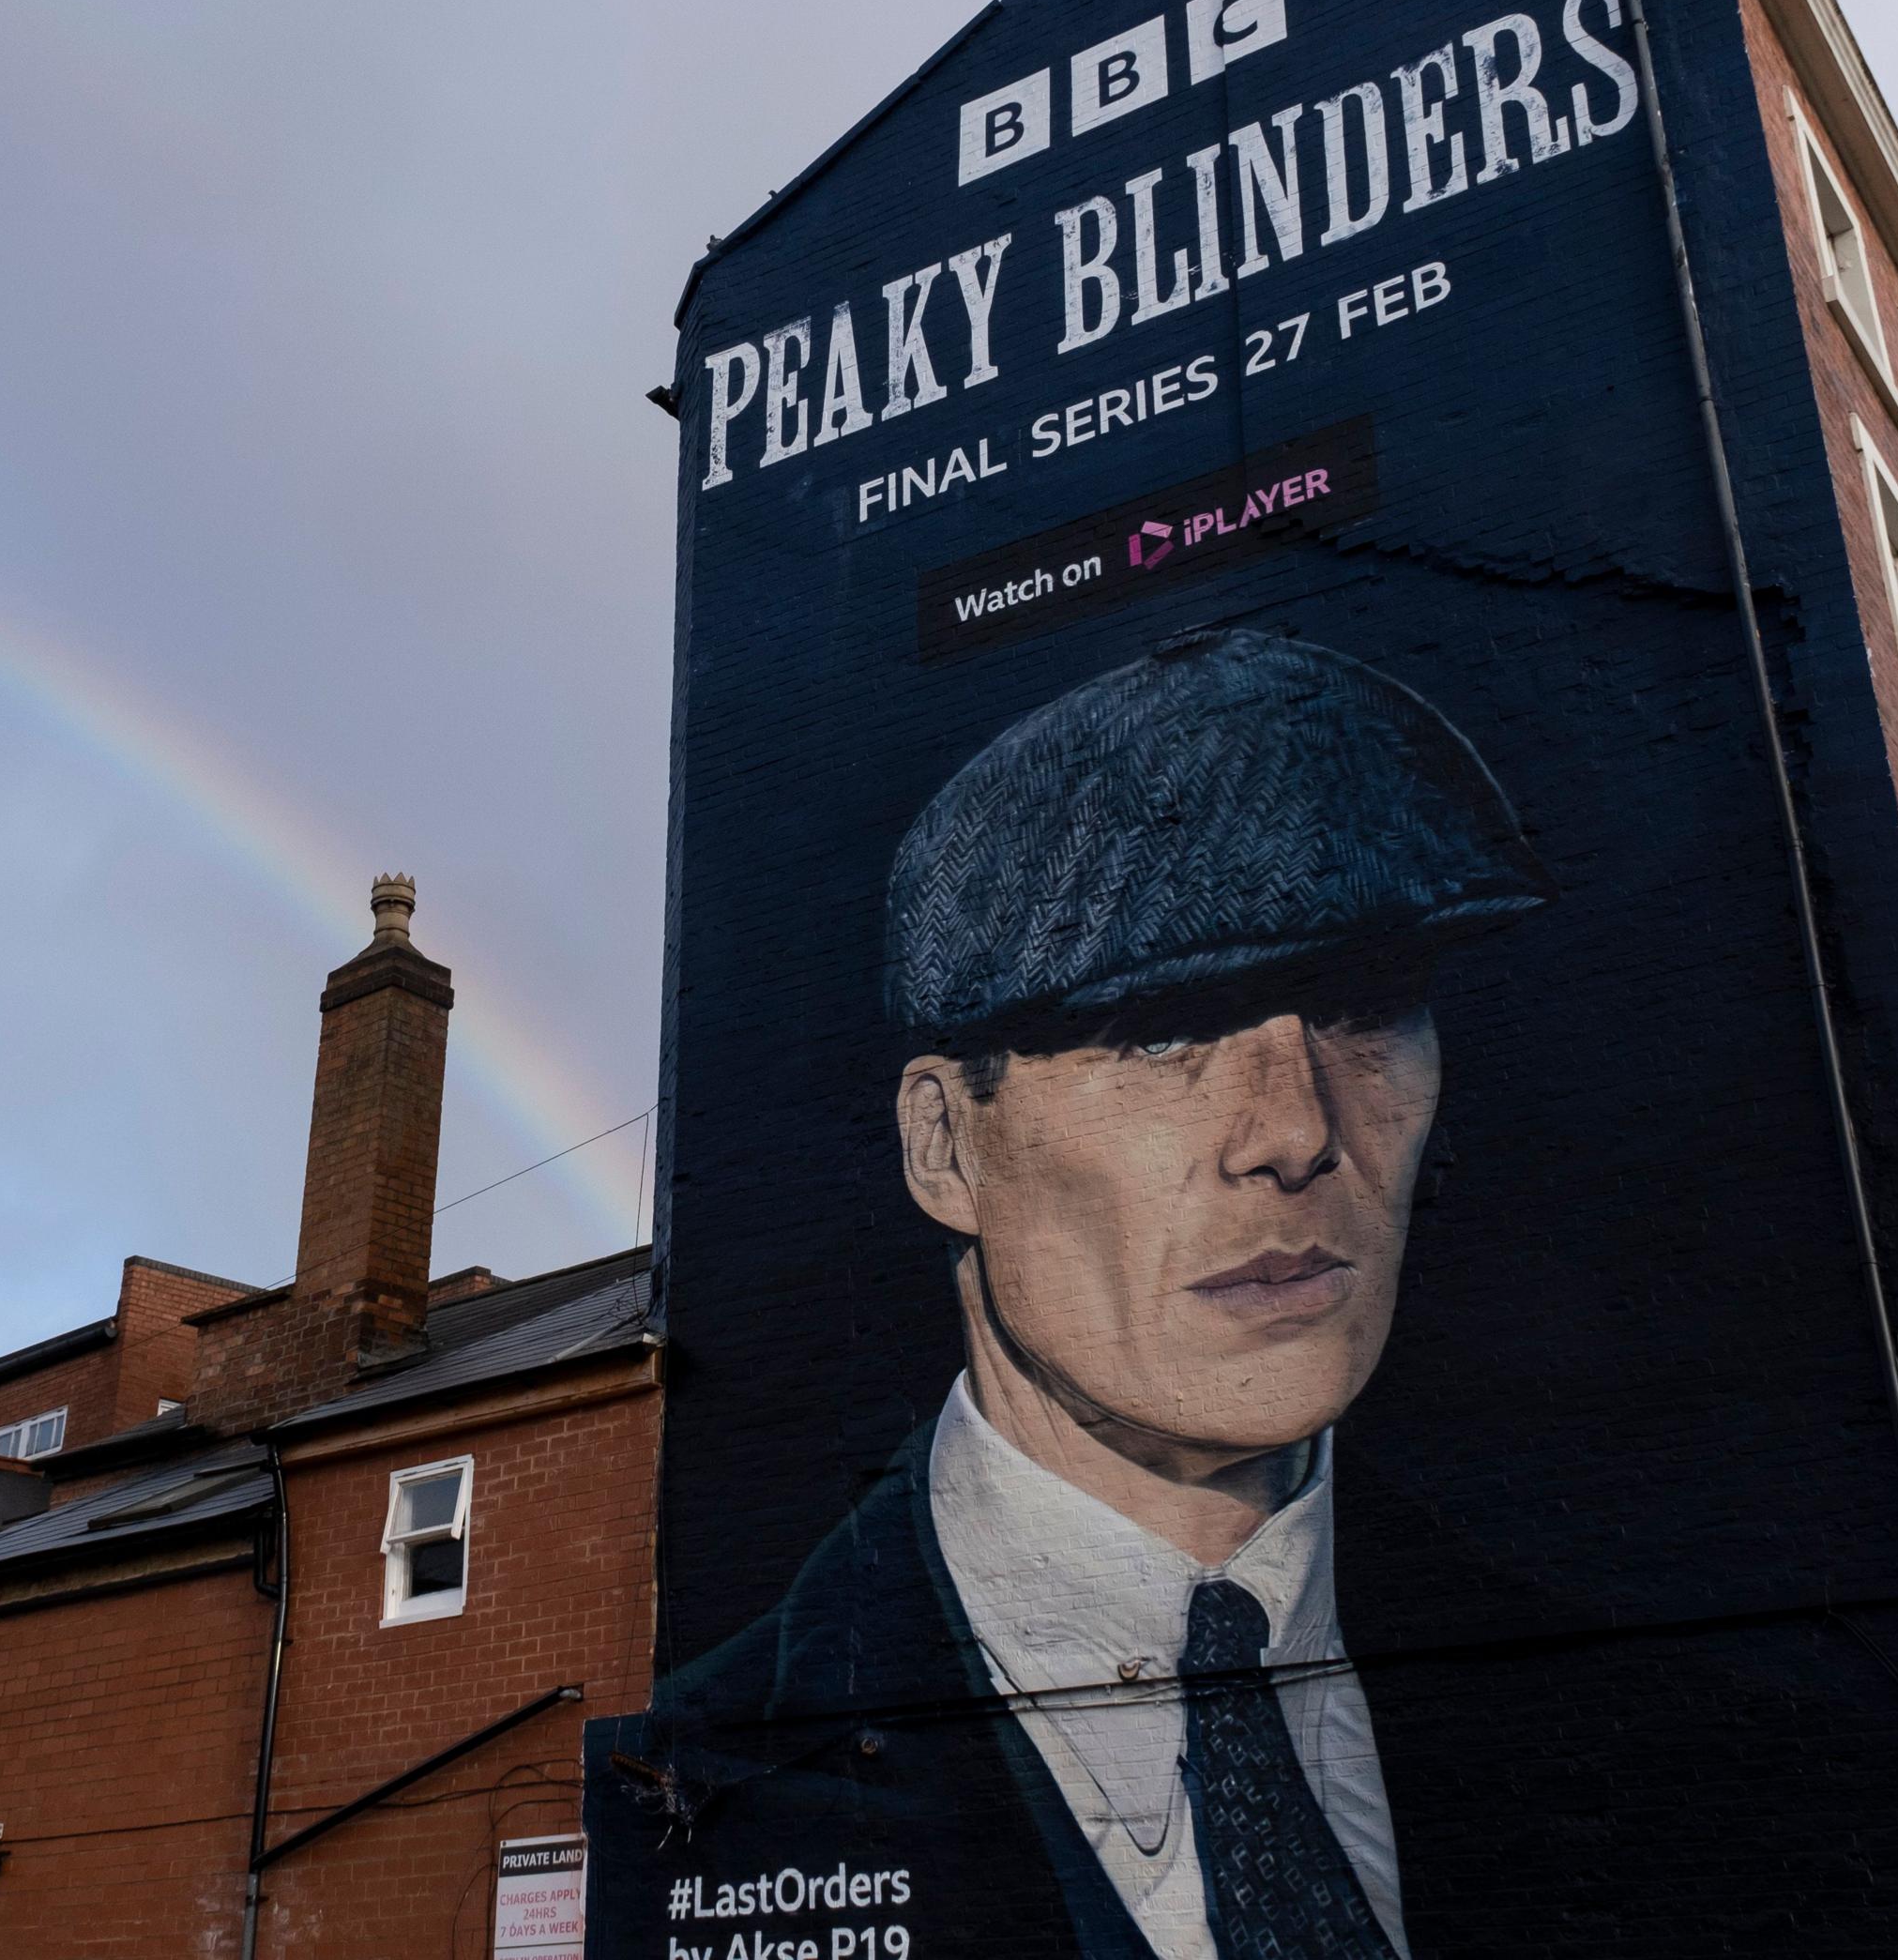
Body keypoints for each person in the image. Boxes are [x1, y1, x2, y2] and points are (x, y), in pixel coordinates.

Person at [642, 626, 1549, 1960]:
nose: (1295, 1132)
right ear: (946, 1146)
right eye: (1164, 1030)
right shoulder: (706, 1766)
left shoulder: (1679, 1725)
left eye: (1364, 1007)